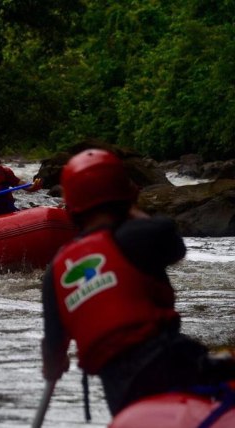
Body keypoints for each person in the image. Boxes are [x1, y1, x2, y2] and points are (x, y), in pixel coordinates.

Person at [40, 148, 235, 416]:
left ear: (72, 207)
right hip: (173, 364)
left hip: (121, 393)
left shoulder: (55, 271)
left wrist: (54, 362)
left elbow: (52, 355)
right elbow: (175, 247)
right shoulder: (140, 235)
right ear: (126, 196)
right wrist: (131, 208)